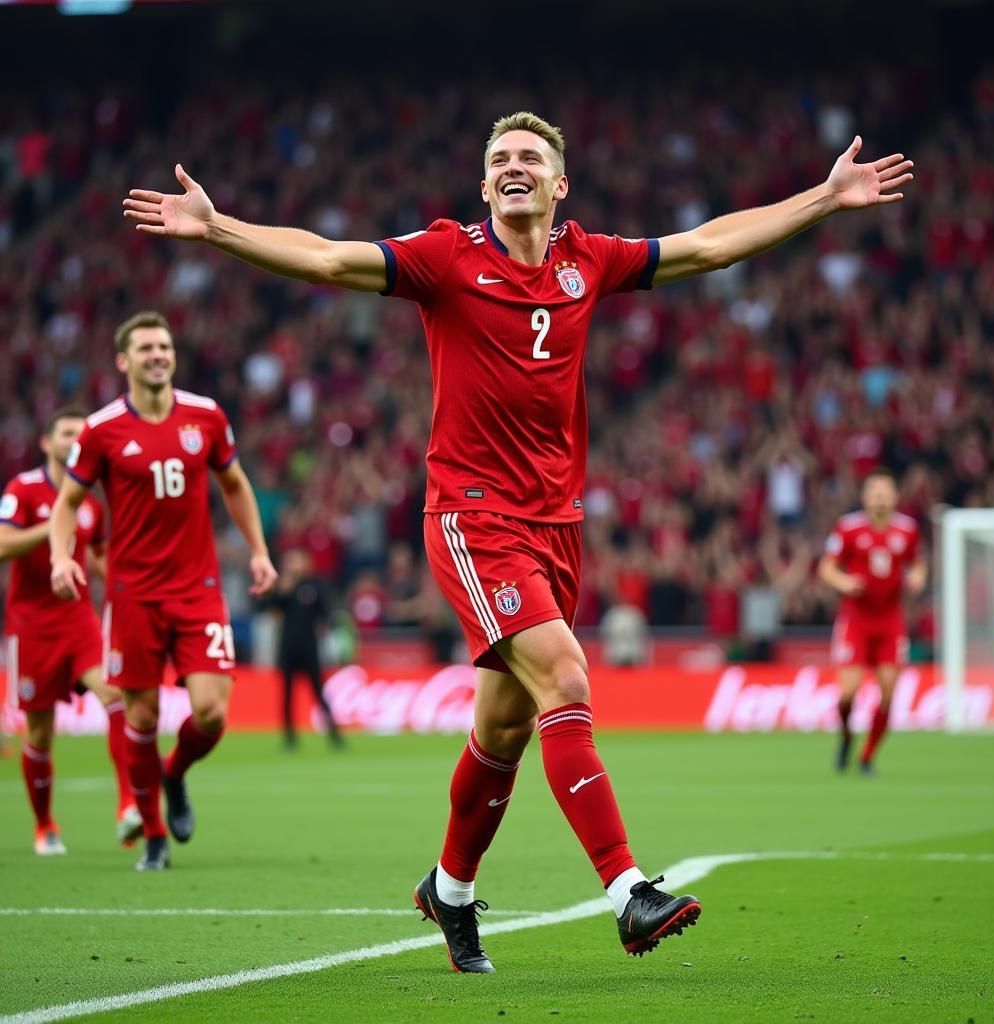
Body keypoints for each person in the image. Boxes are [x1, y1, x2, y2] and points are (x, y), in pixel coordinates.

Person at [123, 112, 912, 966]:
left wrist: (825, 199)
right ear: (484, 183)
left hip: (557, 526)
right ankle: (627, 889)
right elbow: (326, 256)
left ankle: (449, 890)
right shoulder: (444, 257)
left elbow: (710, 246)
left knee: (503, 731)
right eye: (498, 156)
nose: (512, 165)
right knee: (567, 675)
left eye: (529, 157)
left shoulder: (589, 260)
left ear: (559, 184)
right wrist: (218, 227)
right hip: (470, 516)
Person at [49, 312, 278, 871]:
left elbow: (234, 484)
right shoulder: (101, 430)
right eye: (147, 347)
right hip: (132, 596)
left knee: (212, 712)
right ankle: (153, 837)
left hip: (197, 590)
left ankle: (174, 774)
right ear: (124, 361)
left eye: (165, 346)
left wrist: (258, 551)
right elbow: (68, 504)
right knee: (142, 716)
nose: (158, 354)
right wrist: (60, 555)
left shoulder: (206, 415)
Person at [0, 408, 139, 855]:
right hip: (32, 625)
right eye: (65, 433)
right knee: (39, 732)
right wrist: (56, 523)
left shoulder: (92, 503)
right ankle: (44, 826)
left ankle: (127, 807)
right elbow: (2, 545)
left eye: (81, 434)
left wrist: (128, 585)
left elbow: (99, 559)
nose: (74, 439)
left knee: (116, 696)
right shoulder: (23, 489)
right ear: (47, 442)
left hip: (79, 620)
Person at [818, 469, 927, 774]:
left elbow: (918, 564)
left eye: (885, 491)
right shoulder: (848, 528)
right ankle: (846, 737)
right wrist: (843, 582)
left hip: (890, 619)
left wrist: (917, 577)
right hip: (856, 618)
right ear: (865, 497)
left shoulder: (907, 530)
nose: (879, 497)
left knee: (889, 692)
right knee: (848, 694)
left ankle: (867, 757)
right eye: (874, 491)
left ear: (895, 497)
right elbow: (827, 568)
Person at [265, 548, 342, 749]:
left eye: (297, 561)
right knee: (287, 694)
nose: (294, 566)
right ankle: (289, 737)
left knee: (318, 692)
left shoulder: (315, 586)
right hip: (288, 647)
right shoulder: (284, 587)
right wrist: (283, 590)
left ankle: (334, 733)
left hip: (309, 647)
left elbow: (324, 616)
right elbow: (272, 610)